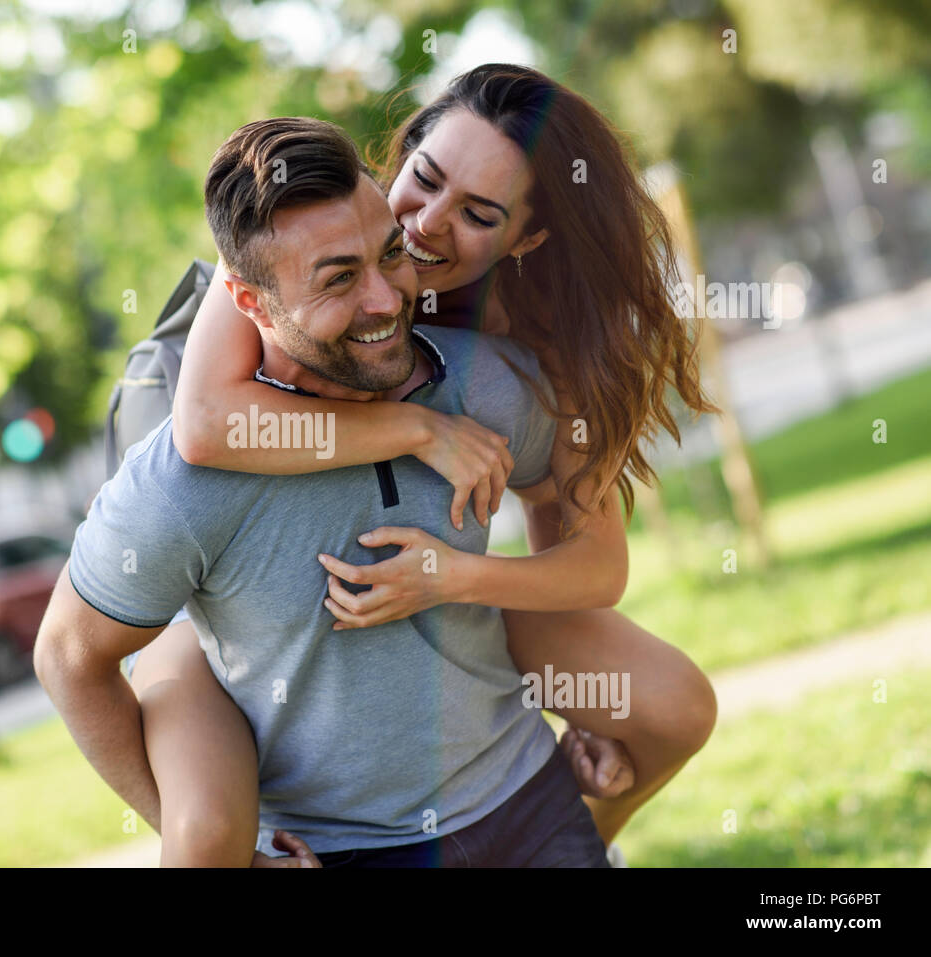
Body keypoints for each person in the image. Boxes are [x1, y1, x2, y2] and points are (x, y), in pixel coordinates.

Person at [146, 64, 720, 864]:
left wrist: (452, 580)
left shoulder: (538, 340)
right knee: (204, 835)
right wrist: (414, 429)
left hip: (421, 564)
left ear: (529, 236)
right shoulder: (309, 218)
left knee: (669, 704)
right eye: (425, 177)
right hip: (223, 588)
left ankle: (570, 841)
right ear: (403, 151)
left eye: (479, 214)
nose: (426, 224)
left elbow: (589, 566)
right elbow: (205, 424)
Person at [36, 115, 616, 867]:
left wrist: (594, 702)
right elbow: (66, 655)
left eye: (390, 255)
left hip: (529, 802)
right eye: (339, 278)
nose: (385, 300)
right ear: (248, 302)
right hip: (343, 850)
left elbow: (581, 538)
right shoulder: (184, 480)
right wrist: (241, 855)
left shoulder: (486, 385)